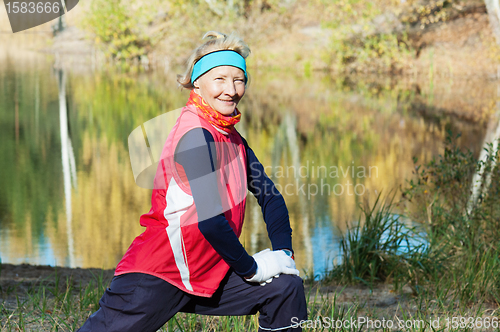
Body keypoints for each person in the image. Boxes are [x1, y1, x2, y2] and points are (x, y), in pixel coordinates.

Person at [77, 31, 307, 332]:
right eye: (220, 79)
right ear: (197, 82)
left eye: (239, 80)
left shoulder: (232, 138)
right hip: (160, 271)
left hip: (210, 270)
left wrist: (283, 256)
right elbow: (210, 221)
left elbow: (270, 196)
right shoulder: (194, 136)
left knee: (284, 288)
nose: (231, 90)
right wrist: (253, 269)